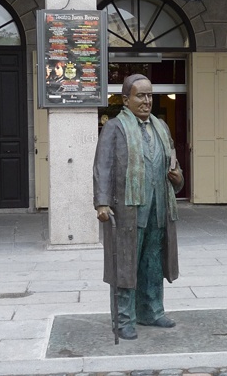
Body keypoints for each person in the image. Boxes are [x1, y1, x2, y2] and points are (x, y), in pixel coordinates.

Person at [93, 74, 184, 341]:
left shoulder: (161, 127)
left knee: (153, 262)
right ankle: (124, 319)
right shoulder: (115, 127)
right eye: (140, 96)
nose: (146, 101)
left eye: (149, 96)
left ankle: (152, 311)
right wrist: (101, 202)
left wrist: (178, 177)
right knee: (126, 264)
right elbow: (103, 166)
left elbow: (172, 165)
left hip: (158, 207)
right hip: (128, 209)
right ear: (126, 99)